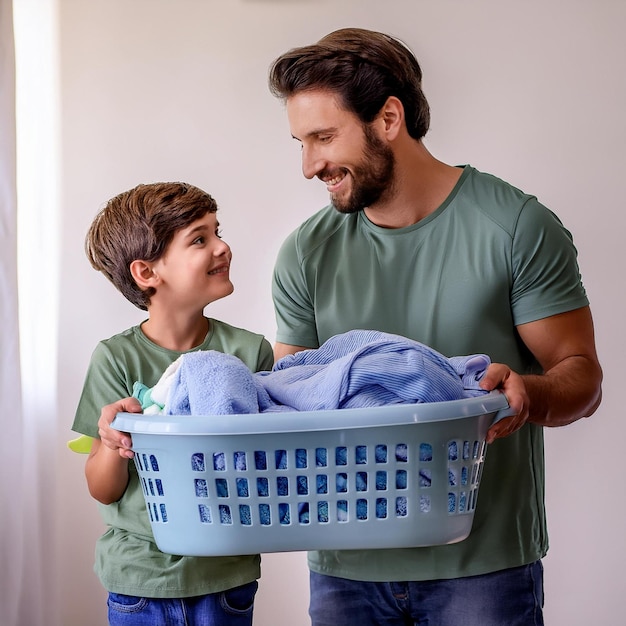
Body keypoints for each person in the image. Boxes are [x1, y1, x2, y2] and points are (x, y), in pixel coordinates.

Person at [267, 27, 602, 625]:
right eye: (300, 141)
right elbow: (288, 402)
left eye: (323, 137)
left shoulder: (515, 226)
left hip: (482, 569)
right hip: (346, 571)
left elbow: (581, 378)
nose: (309, 164)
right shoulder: (306, 252)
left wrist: (528, 394)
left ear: (388, 118)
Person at [70, 182, 274, 626]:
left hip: (225, 577)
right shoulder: (116, 358)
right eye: (200, 239)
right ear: (147, 273)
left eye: (217, 231)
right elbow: (103, 489)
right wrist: (111, 439)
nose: (223, 247)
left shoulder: (248, 353)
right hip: (139, 578)